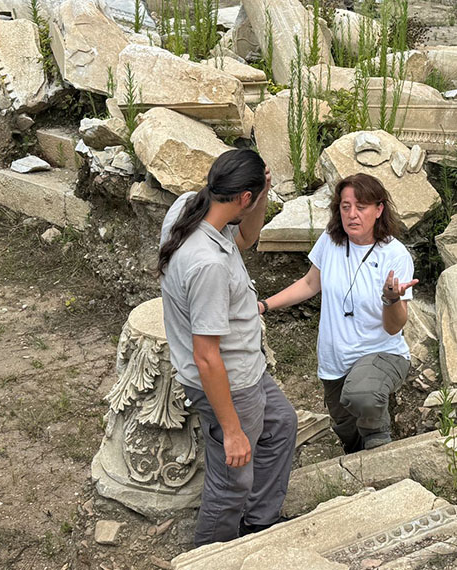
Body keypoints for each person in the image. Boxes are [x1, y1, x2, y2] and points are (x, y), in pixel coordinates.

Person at [157, 149, 298, 546]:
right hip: (231, 383)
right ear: (243, 199)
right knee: (232, 479)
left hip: (246, 370)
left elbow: (247, 236)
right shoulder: (209, 266)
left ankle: (259, 523)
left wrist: (262, 193)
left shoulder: (190, 205)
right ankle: (211, 554)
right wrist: (233, 430)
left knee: (282, 425)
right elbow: (206, 355)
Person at [259, 173, 417, 453]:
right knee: (346, 430)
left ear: (379, 210)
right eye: (346, 207)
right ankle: (357, 466)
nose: (352, 215)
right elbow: (309, 283)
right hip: (334, 361)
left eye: (361, 207)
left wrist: (391, 299)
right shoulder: (330, 242)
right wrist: (264, 305)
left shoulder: (395, 255)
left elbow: (394, 327)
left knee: (362, 396)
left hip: (381, 352)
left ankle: (381, 450)